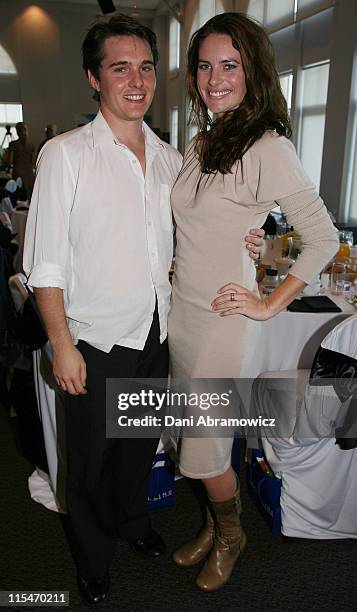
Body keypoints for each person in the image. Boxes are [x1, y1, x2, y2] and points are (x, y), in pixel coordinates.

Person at [23, 13, 263, 606]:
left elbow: (199, 230)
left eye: (147, 67)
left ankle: (133, 525)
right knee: (87, 464)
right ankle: (93, 557)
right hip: (95, 342)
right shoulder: (66, 155)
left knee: (136, 447)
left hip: (158, 332)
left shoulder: (170, 157)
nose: (136, 80)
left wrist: (247, 240)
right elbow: (46, 261)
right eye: (119, 67)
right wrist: (61, 344)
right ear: (93, 78)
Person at [168, 12, 339, 592]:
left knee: (207, 444)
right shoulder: (200, 142)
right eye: (206, 65)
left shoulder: (269, 145)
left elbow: (323, 239)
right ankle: (216, 525)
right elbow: (219, 222)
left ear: (254, 72)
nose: (215, 77)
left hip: (224, 322)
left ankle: (232, 535)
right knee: (197, 435)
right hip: (184, 314)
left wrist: (267, 306)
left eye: (230, 65)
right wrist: (260, 242)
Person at [4, 122, 35, 199]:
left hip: (18, 172)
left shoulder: (13, 144)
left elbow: (9, 161)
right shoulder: (31, 145)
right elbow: (33, 161)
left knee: (19, 195)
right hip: (29, 173)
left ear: (17, 131)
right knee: (29, 195)